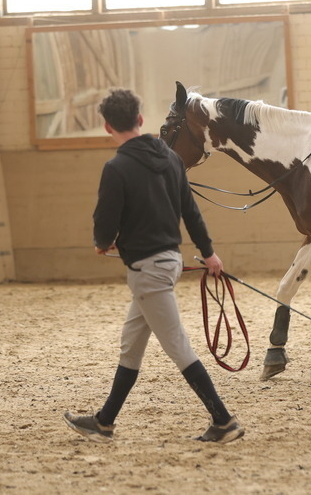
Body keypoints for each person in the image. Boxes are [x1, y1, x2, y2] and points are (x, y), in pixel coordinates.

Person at [63, 88, 245, 444]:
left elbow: (105, 218)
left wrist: (103, 242)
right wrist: (209, 253)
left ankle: (223, 421)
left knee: (178, 346)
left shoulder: (116, 167)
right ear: (141, 119)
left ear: (106, 127)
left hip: (148, 271)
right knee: (131, 346)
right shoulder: (169, 157)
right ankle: (104, 422)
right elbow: (189, 210)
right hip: (168, 262)